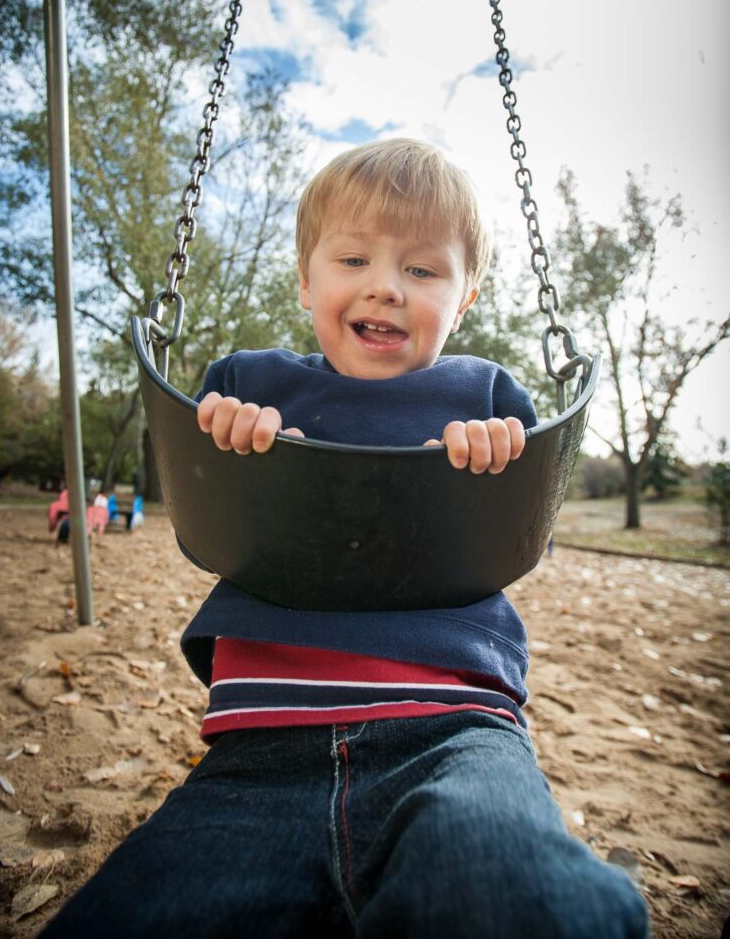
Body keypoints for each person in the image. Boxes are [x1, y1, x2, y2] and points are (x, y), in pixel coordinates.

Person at [41, 140, 648, 938]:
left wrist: (501, 459)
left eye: (424, 271)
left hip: (455, 737)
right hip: (255, 761)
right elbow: (206, 508)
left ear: (463, 300)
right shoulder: (251, 387)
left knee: (523, 896)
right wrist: (225, 433)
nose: (386, 287)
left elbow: (521, 532)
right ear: (307, 280)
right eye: (354, 258)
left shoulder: (488, 398)